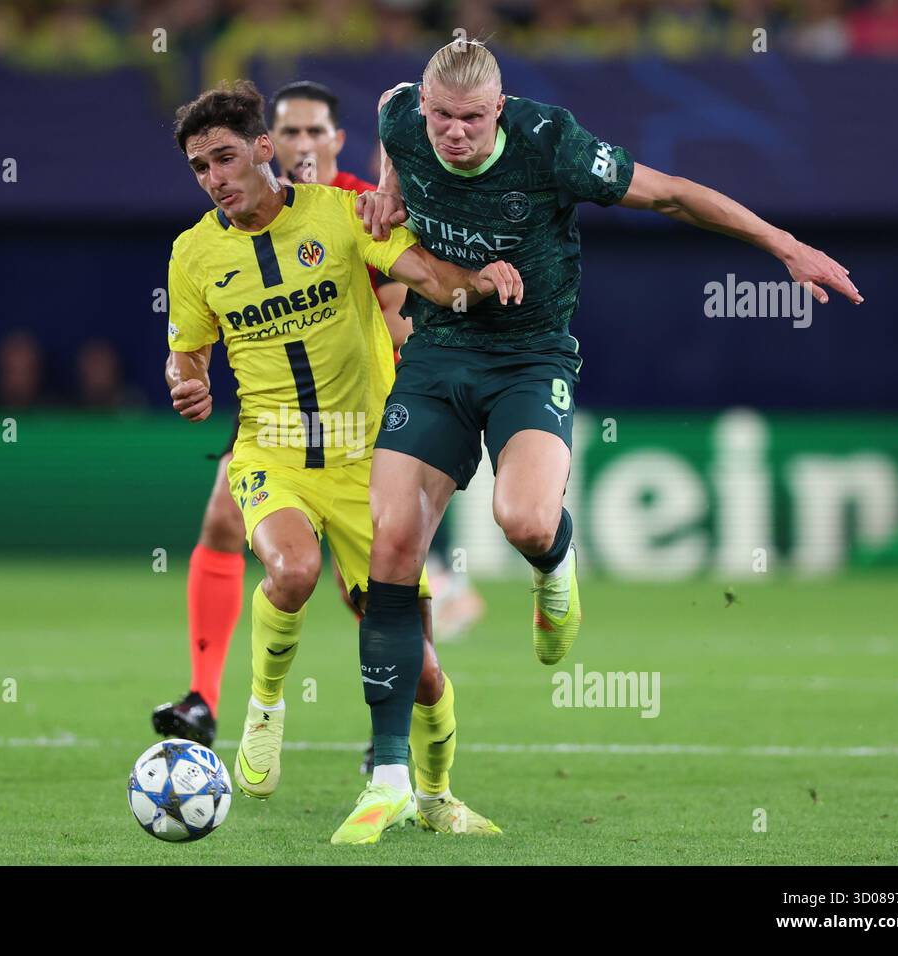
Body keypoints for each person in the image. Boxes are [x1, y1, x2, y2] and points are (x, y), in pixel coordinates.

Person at [353, 39, 861, 754]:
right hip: (438, 349)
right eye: (443, 118)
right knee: (394, 545)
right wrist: (391, 189)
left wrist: (783, 246)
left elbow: (675, 196)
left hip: (531, 355)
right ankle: (389, 770)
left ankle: (557, 568)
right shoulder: (406, 118)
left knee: (526, 522)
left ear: (500, 108)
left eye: (471, 117)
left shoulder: (551, 145)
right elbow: (387, 109)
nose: (454, 133)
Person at [166, 80, 521, 843]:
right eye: (199, 167)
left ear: (266, 149)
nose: (215, 178)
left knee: (422, 668)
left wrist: (478, 288)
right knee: (290, 572)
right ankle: (264, 704)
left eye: (225, 158)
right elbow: (186, 356)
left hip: (372, 458)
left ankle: (435, 797)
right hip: (272, 450)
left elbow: (425, 278)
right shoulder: (193, 253)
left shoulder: (339, 215)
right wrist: (187, 385)